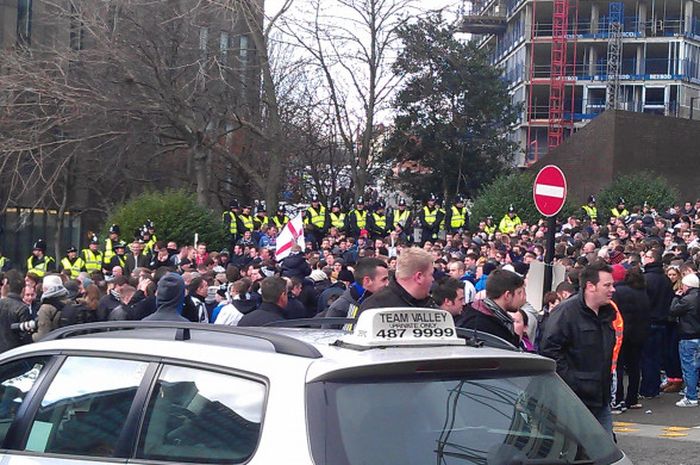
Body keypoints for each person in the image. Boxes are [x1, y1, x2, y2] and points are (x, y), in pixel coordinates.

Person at [540, 260, 617, 434]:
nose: (613, 289)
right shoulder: (566, 313)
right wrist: (574, 383)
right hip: (574, 400)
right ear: (591, 286)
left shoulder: (607, 312)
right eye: (607, 285)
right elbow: (550, 352)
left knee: (605, 449)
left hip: (600, 398)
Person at [612, 265, 651, 411]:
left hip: (622, 333)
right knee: (635, 367)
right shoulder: (642, 293)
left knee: (619, 367)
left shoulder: (617, 292)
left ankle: (618, 398)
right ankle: (632, 398)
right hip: (638, 334)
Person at [639, 248, 675, 398]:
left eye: (646, 256)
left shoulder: (646, 279)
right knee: (656, 357)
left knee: (647, 358)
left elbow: (642, 302)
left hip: (648, 321)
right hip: (663, 322)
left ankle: (648, 389)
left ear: (652, 259)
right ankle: (654, 387)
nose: (644, 258)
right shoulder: (666, 280)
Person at [358, 247, 435, 314]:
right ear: (419, 277)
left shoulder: (432, 306)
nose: (433, 279)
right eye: (431, 274)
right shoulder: (374, 308)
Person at [461, 269, 526, 346]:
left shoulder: (501, 320)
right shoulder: (479, 325)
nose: (523, 298)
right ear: (507, 295)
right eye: (519, 293)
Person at [669, 273, 700, 407]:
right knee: (696, 366)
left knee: (689, 368)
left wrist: (676, 296)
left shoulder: (687, 300)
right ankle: (694, 391)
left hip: (688, 336)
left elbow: (673, 310)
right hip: (697, 335)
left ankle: (691, 396)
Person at [0, 270, 31, 352]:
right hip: (15, 354)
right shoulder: (23, 308)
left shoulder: (1, 303)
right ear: (23, 290)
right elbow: (25, 336)